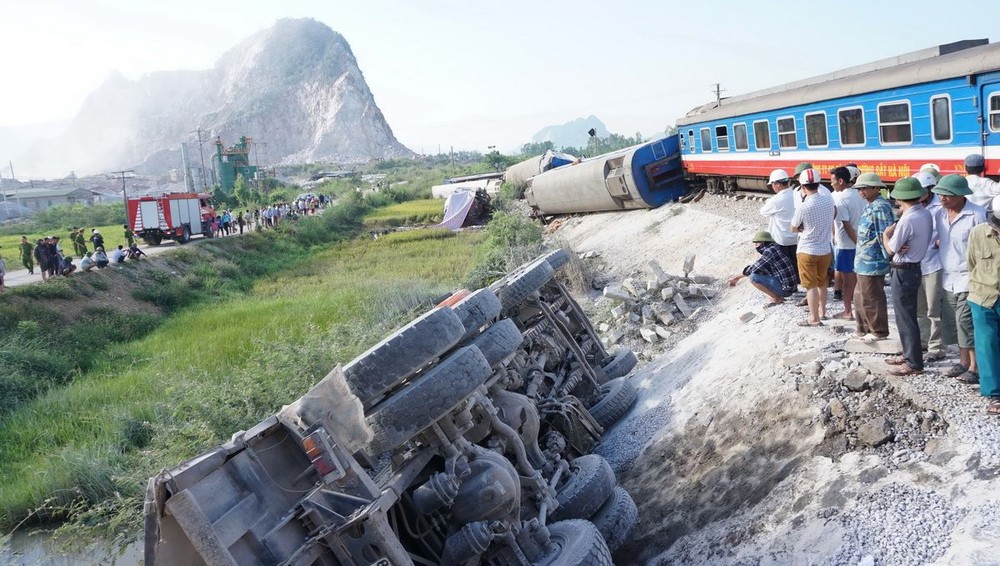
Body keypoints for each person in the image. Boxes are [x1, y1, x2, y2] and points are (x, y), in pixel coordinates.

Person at [933, 174, 988, 384]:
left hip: (969, 277)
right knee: (953, 323)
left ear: (960, 195)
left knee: (966, 322)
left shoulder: (977, 215)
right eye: (940, 194)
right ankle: (963, 361)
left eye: (947, 195)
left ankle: (975, 367)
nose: (942, 198)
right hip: (948, 277)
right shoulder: (940, 214)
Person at [882, 177, 935, 376]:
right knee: (908, 314)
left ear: (900, 198)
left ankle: (913, 362)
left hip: (902, 268)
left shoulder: (907, 219)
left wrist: (886, 236)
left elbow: (892, 248)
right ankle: (909, 354)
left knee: (905, 316)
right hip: (914, 267)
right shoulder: (924, 213)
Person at [913, 171, 955, 362]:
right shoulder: (914, 206)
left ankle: (937, 347)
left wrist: (940, 241)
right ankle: (923, 341)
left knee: (933, 309)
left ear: (929, 190)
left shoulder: (940, 208)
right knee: (920, 307)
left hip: (934, 263)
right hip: (917, 262)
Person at [966, 195, 1000, 414]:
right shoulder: (978, 233)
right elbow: (971, 263)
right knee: (986, 345)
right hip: (982, 296)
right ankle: (994, 394)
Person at [790, 168, 836, 326]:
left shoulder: (803, 206)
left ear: (802, 187)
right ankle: (823, 313)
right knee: (822, 283)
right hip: (825, 249)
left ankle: (814, 318)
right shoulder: (829, 201)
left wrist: (802, 228)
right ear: (819, 184)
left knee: (810, 287)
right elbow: (834, 215)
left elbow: (793, 227)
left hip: (807, 250)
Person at [853, 173, 894, 341]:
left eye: (865, 188)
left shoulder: (879, 207)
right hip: (863, 261)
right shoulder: (870, 205)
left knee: (872, 296)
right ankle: (863, 329)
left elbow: (883, 234)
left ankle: (878, 331)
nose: (861, 192)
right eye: (859, 189)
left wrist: (888, 257)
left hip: (873, 262)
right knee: (860, 296)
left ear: (876, 188)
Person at [830, 166, 866, 319]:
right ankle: (861, 309)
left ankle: (848, 312)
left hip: (847, 245)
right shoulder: (861, 195)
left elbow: (846, 225)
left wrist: (857, 243)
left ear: (841, 181)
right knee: (860, 279)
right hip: (862, 242)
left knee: (848, 281)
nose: (831, 184)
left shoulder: (841, 199)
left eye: (832, 181)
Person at [728, 230, 798, 306]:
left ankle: (776, 298)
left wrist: (737, 277)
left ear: (763, 243)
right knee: (761, 272)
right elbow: (759, 266)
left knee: (753, 277)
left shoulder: (770, 251)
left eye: (757, 244)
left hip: (786, 290)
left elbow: (754, 269)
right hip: (792, 287)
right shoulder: (775, 248)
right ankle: (777, 295)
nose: (756, 246)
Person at [759, 169, 799, 282]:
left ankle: (791, 285)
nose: (772, 187)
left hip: (782, 239)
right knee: (796, 262)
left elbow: (763, 212)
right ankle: (800, 282)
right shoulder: (796, 194)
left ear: (778, 184)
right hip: (797, 237)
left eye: (772, 184)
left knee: (786, 265)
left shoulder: (776, 200)